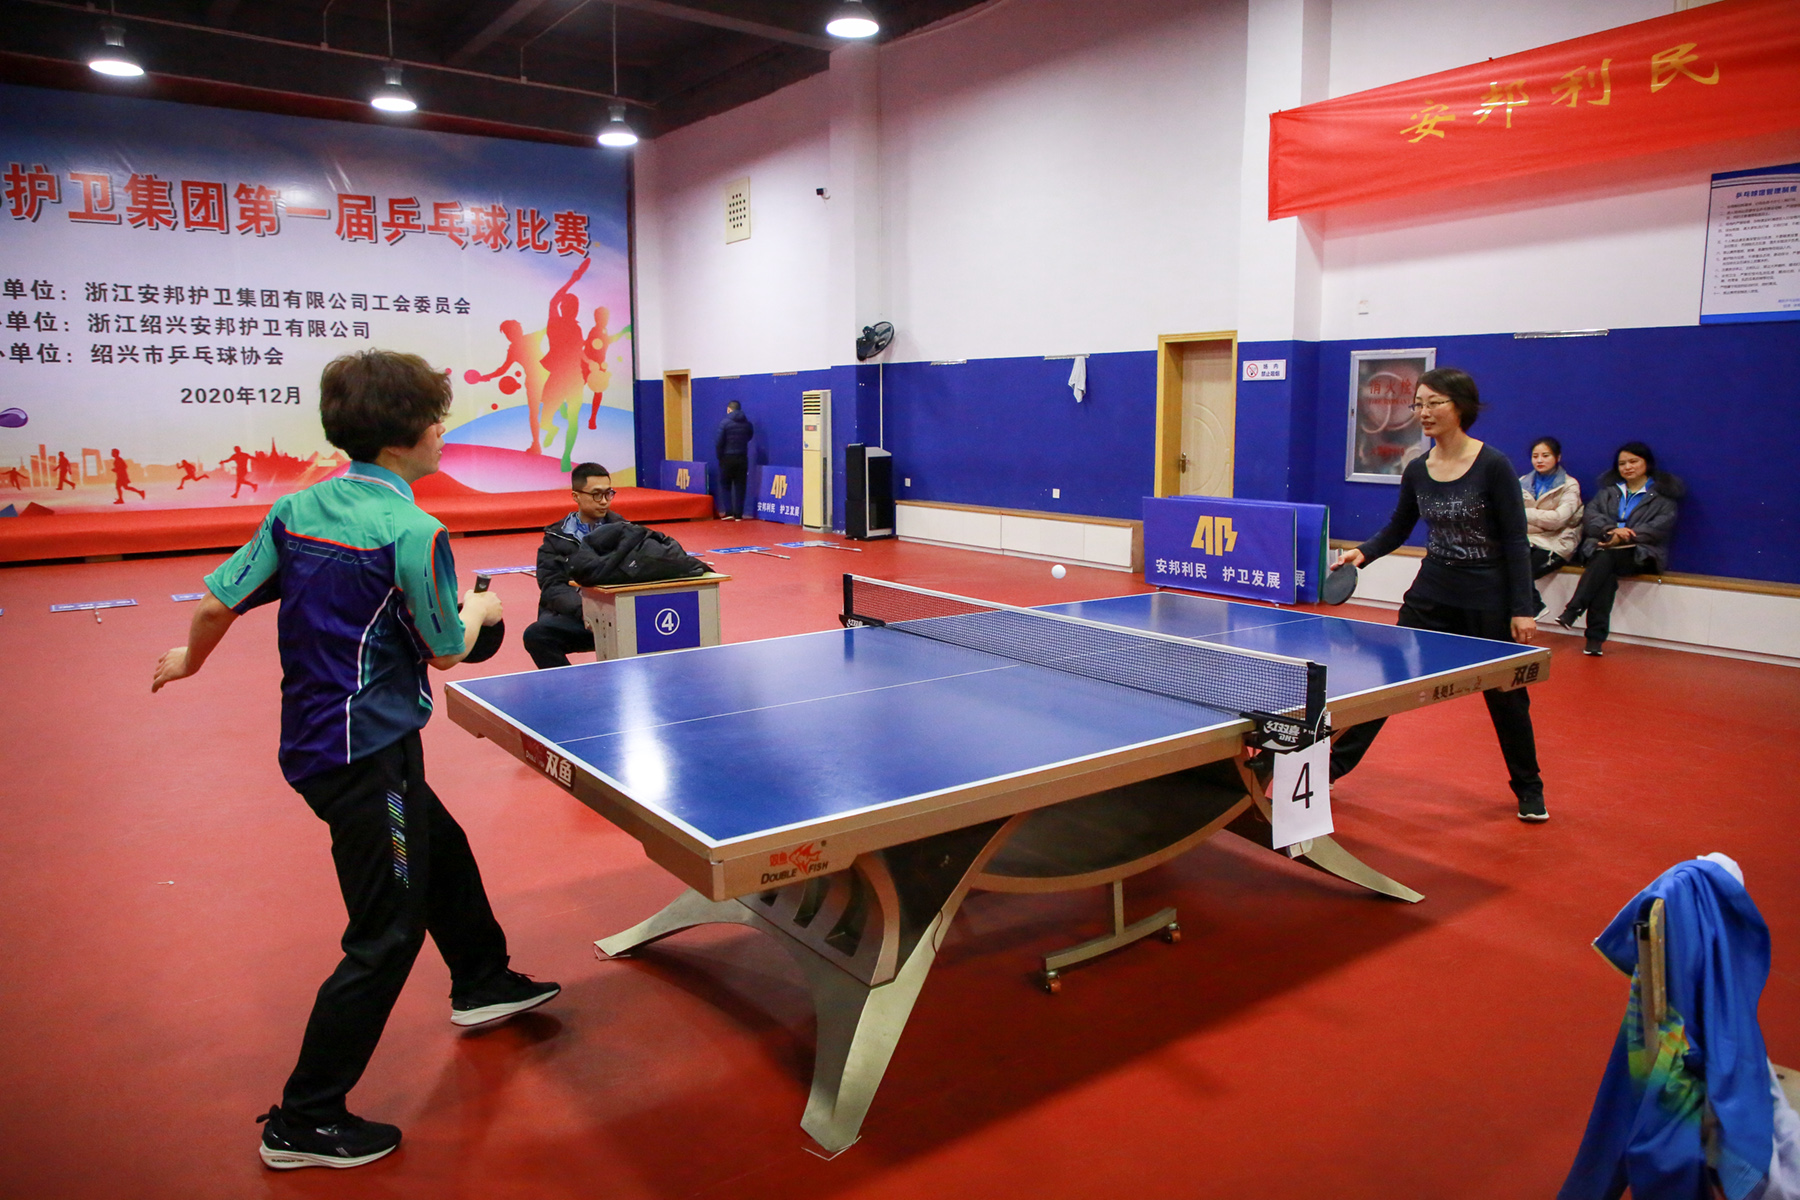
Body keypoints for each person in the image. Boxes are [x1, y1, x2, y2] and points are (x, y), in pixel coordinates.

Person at [150, 350, 559, 1171]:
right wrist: (482, 608)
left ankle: (483, 979)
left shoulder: (295, 511)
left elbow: (216, 603)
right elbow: (446, 649)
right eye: (436, 419)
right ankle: (303, 1120)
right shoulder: (415, 532)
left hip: (316, 742)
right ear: (405, 438)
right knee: (386, 931)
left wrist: (188, 661)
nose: (442, 430)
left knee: (441, 847)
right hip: (367, 759)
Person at [1328, 367, 1548, 822]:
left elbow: (1515, 540)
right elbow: (1399, 526)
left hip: (1488, 598)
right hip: (1432, 593)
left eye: (1434, 403)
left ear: (1460, 407)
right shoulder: (1417, 469)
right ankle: (1333, 767)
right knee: (1388, 684)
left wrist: (1522, 609)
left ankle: (1529, 789)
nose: (1423, 412)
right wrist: (1363, 553)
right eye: (1418, 404)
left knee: (1507, 696)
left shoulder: (1494, 465)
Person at [1556, 441, 1684, 657]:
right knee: (1605, 570)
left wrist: (1626, 536)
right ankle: (1594, 641)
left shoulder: (1663, 496)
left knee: (1606, 559)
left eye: (1633, 461)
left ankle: (1574, 610)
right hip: (1605, 548)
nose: (1627, 467)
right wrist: (1610, 531)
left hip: (1641, 553)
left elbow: (1659, 528)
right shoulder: (1608, 492)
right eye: (1622, 463)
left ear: (1647, 463)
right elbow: (1591, 517)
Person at [523, 462, 623, 669]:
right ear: (576, 496)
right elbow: (552, 586)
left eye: (608, 493)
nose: (604, 501)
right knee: (537, 635)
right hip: (579, 617)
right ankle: (567, 683)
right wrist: (586, 612)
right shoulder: (555, 538)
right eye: (596, 494)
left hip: (620, 615)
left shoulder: (627, 532)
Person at [1519, 436, 1582, 614]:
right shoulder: (1522, 482)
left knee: (1520, 573)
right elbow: (1510, 515)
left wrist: (1526, 514)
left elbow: (1558, 520)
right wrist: (1541, 521)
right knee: (1500, 567)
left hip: (1556, 542)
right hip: (1528, 540)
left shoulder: (1569, 485)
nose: (1539, 460)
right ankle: (1533, 608)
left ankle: (1533, 608)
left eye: (1545, 455)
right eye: (1535, 456)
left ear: (1557, 457)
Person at [714, 400, 754, 520]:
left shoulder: (724, 423)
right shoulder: (747, 424)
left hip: (727, 457)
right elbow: (749, 436)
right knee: (740, 486)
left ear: (729, 409)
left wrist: (720, 456)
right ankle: (738, 514)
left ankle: (729, 511)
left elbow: (719, 442)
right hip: (742, 457)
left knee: (725, 484)